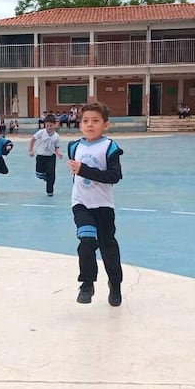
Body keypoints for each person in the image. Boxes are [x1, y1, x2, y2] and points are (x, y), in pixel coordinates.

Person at [66, 101, 124, 307]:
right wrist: (80, 177)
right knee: (87, 241)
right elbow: (77, 176)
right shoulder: (74, 146)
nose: (90, 125)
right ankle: (87, 283)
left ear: (105, 125)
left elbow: (114, 176)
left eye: (95, 121)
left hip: (104, 206)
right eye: (85, 121)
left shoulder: (110, 147)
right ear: (80, 124)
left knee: (108, 248)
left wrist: (84, 170)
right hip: (81, 203)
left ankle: (115, 285)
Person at [29, 113, 63, 196]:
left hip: (51, 157)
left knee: (51, 174)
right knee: (39, 173)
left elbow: (56, 147)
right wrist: (31, 150)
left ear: (55, 125)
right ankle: (46, 177)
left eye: (51, 126)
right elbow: (32, 140)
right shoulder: (41, 132)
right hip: (41, 156)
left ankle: (50, 191)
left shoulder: (56, 136)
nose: (49, 128)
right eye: (47, 126)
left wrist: (59, 153)